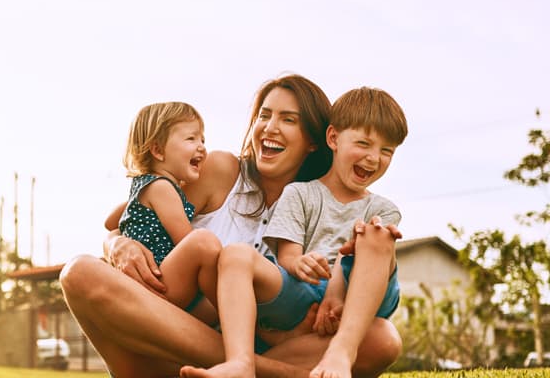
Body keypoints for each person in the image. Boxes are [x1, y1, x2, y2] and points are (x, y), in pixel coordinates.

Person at [60, 74, 403, 378]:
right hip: (167, 338)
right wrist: (117, 244)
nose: (270, 127)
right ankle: (264, 371)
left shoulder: (325, 206)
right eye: (264, 115)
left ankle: (244, 365)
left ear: (314, 140)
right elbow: (138, 213)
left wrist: (332, 302)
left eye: (288, 120)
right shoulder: (220, 170)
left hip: (273, 341)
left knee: (381, 339)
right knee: (79, 273)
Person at [180, 86, 407, 378]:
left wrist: (337, 293)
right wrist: (297, 262)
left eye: (386, 151)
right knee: (236, 254)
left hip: (358, 296)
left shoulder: (383, 208)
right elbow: (287, 254)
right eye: (364, 144)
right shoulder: (299, 193)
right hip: (305, 289)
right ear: (333, 138)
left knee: (376, 236)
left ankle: (341, 353)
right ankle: (240, 364)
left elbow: (365, 269)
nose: (374, 158)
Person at [103, 101, 221, 322]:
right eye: (191, 138)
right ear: (158, 150)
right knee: (203, 243)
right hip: (159, 282)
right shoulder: (162, 188)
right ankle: (233, 310)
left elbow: (110, 222)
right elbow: (186, 239)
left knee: (220, 314)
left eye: (202, 139)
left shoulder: (143, 186)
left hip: (152, 285)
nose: (202, 147)